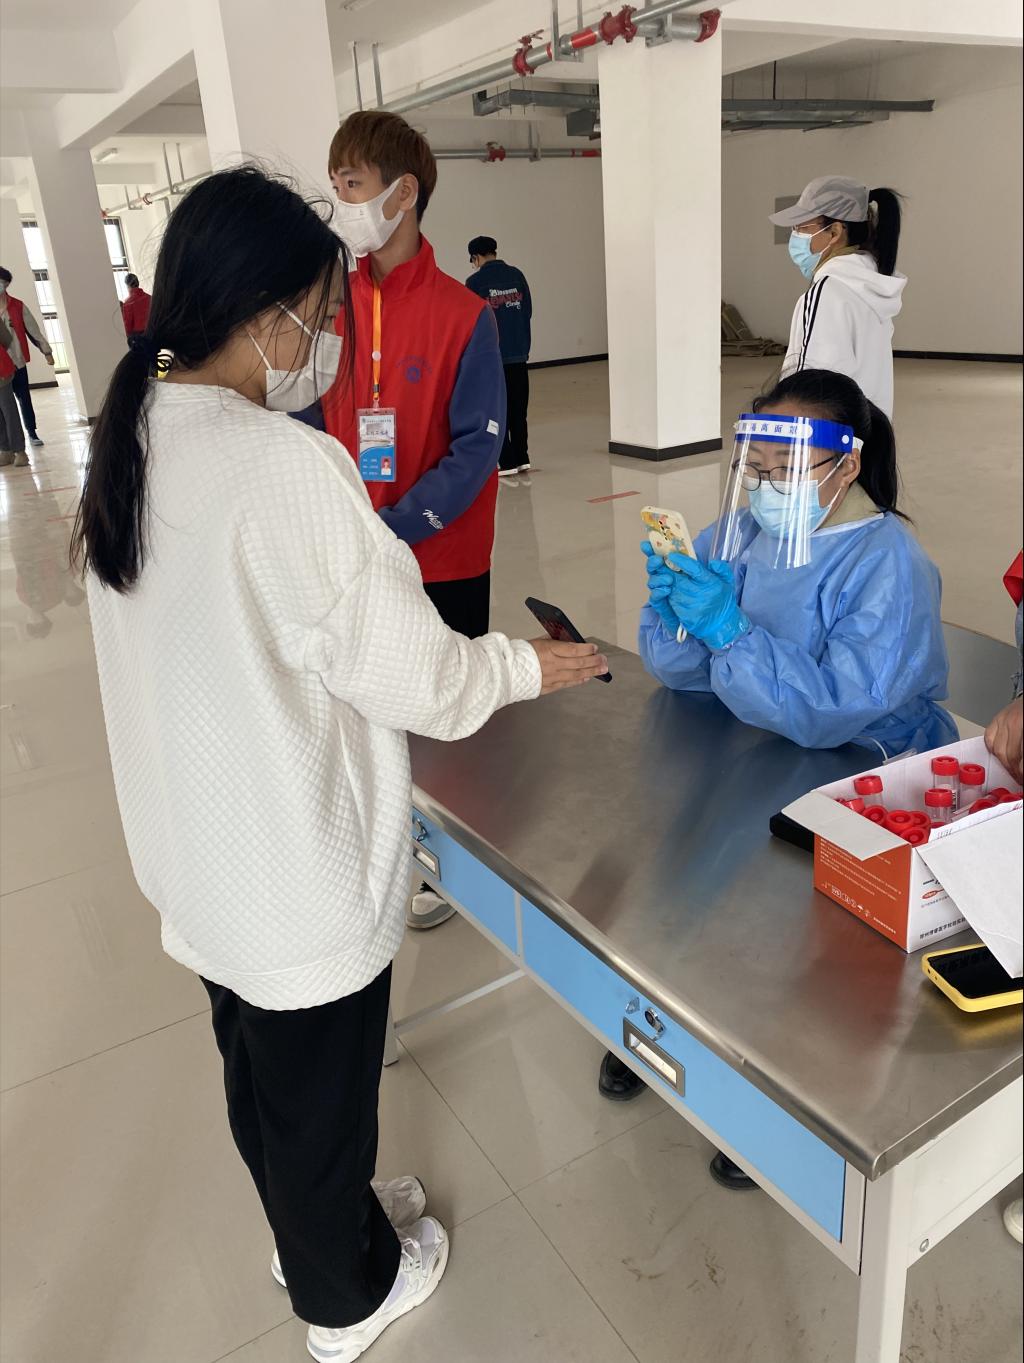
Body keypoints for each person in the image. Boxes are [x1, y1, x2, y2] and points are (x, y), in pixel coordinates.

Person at [72, 167, 607, 1363]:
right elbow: (418, 678)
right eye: (318, 314)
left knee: (263, 1084)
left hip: (199, 858)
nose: (325, 342)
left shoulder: (138, 433)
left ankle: (316, 1228)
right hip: (290, 871)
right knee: (317, 1103)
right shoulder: (280, 466)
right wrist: (524, 667)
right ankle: (345, 1295)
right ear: (263, 314)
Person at [598, 369, 957, 1143]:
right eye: (754, 468)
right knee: (692, 882)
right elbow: (681, 673)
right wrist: (675, 614)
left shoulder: (887, 561)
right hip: (752, 750)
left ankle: (769, 1092)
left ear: (846, 464)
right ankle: (663, 1017)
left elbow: (834, 708)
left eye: (784, 469)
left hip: (861, 768)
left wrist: (729, 632)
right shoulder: (738, 533)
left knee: (793, 941)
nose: (764, 488)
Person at [301, 109, 508, 932]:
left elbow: (477, 446)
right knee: (361, 709)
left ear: (404, 192)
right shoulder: (326, 307)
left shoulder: (465, 315)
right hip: (350, 554)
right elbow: (306, 416)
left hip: (441, 556)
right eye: (336, 184)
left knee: (445, 711)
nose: (341, 201)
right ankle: (376, 842)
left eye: (351, 183)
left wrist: (401, 523)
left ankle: (446, 863)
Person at [769, 177, 905, 418]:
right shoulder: (871, 288)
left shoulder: (827, 292)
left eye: (801, 228)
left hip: (827, 436)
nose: (795, 236)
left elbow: (809, 389)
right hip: (867, 433)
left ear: (834, 232)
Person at [465, 236, 533, 477]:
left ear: (476, 258)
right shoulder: (517, 275)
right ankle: (522, 457)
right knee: (518, 409)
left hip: (492, 358)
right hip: (519, 355)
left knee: (497, 409)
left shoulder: (475, 282)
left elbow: (471, 321)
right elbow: (527, 312)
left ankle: (507, 462)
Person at [0, 265, 55, 448]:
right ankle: (7, 444)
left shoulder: (17, 306)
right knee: (4, 405)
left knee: (24, 398)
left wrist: (46, 351)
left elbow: (33, 330)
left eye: (2, 282)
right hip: (1, 366)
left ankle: (31, 432)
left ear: (6, 284)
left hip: (17, 362)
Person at [0, 315, 29, 468]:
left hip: (1, 372)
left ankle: (20, 451)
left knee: (9, 412)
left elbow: (6, 339)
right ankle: (6, 451)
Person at [121, 272, 152, 341]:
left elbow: (127, 326)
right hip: (153, 334)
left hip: (138, 339)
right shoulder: (150, 298)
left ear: (127, 286)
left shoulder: (128, 303)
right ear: (138, 283)